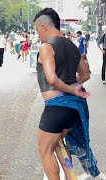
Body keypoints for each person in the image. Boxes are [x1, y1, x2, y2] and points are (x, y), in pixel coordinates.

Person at [34, 8, 99, 179]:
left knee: (45, 150)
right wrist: (74, 87)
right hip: (72, 108)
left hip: (56, 107)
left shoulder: (46, 47)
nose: (37, 34)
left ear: (44, 26)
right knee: (58, 145)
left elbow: (52, 79)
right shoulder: (72, 46)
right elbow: (85, 74)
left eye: (37, 29)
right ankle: (70, 176)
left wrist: (71, 89)